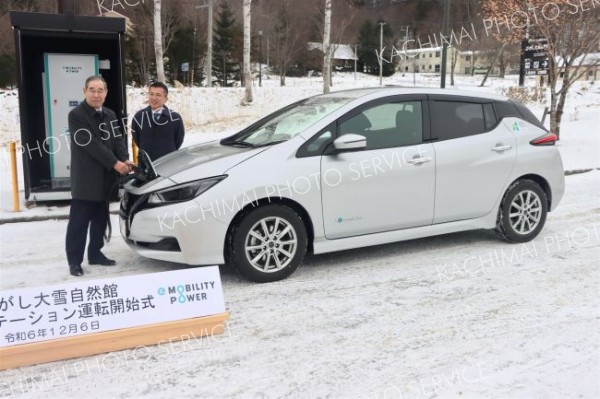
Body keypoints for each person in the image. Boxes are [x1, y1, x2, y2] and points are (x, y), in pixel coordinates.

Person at [65, 75, 134, 277]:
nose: (96, 94)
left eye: (100, 90)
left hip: (106, 179)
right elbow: (91, 145)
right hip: (86, 180)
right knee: (79, 224)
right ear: (84, 91)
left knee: (100, 221)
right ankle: (74, 262)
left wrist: (125, 159)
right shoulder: (76, 115)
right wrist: (116, 163)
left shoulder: (110, 115)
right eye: (92, 90)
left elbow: (118, 140)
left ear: (106, 93)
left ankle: (95, 253)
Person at [131, 81, 185, 161]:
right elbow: (136, 139)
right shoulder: (139, 116)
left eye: (158, 95)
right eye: (151, 94)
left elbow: (178, 141)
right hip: (146, 166)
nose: (154, 98)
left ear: (166, 99)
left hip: (168, 165)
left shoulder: (175, 118)